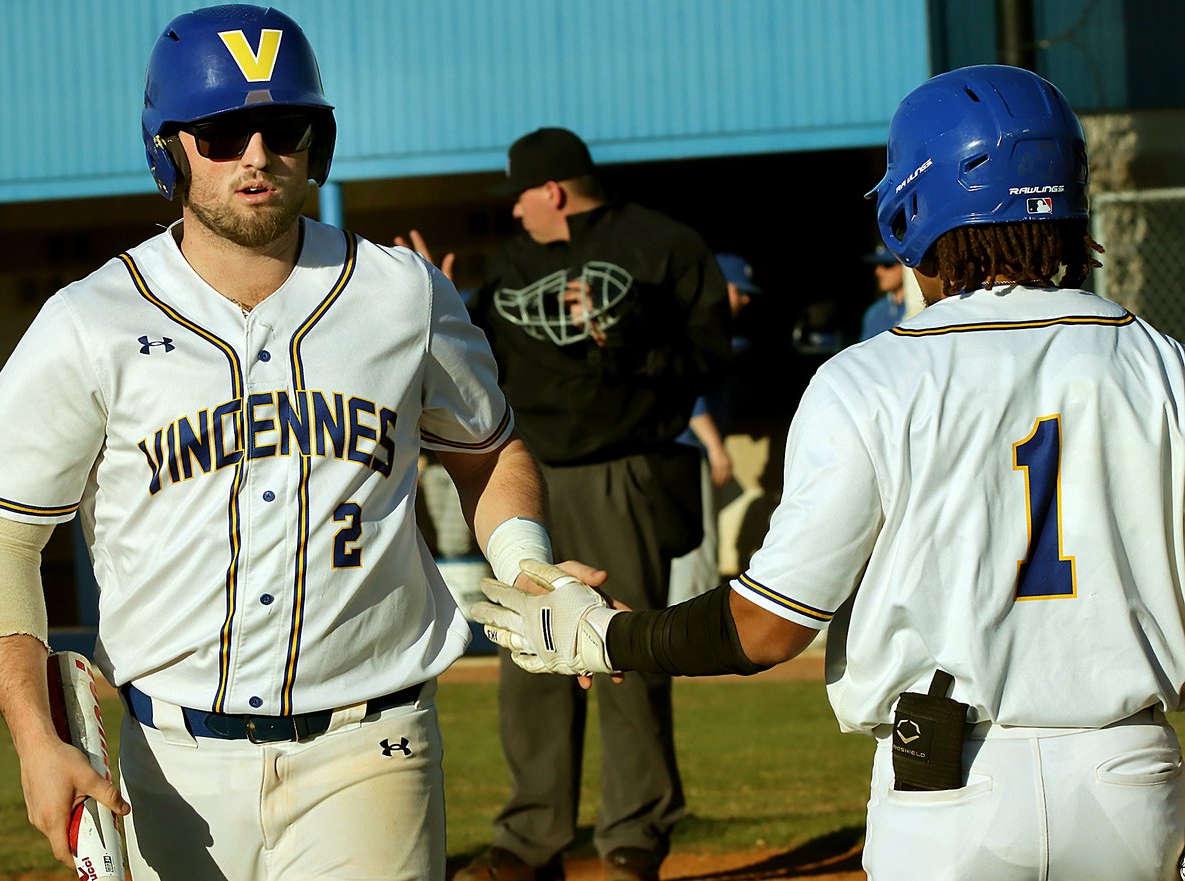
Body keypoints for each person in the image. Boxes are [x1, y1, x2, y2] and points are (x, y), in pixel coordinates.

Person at [473, 65, 1185, 881]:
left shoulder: (872, 377)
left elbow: (769, 626)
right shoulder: (1165, 366)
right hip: (1135, 779)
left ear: (913, 207)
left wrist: (605, 635)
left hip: (951, 790)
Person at [0, 6, 575, 880]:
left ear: (317, 141)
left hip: (372, 748)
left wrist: (528, 562)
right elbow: (2, 536)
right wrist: (37, 739)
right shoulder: (88, 321)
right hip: (169, 760)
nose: (256, 154)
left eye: (283, 126)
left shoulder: (401, 294)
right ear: (169, 148)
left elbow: (487, 449)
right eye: (222, 133)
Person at [456, 127, 732, 881]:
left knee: (624, 649)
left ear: (551, 190)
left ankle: (633, 834)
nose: (513, 212)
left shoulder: (661, 245)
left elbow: (709, 356)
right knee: (526, 652)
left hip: (624, 468)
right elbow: (481, 365)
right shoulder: (512, 265)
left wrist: (626, 336)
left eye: (518, 195)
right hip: (530, 475)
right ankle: (530, 837)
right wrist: (434, 305)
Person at [667, 253, 760, 605]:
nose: (746, 299)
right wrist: (715, 447)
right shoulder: (700, 326)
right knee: (697, 547)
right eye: (740, 291)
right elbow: (688, 395)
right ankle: (685, 638)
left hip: (680, 451)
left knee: (689, 548)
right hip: (689, 449)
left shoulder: (698, 324)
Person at [858, 243, 905, 340]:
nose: (878, 271)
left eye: (887, 265)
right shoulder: (875, 313)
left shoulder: (922, 306)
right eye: (877, 265)